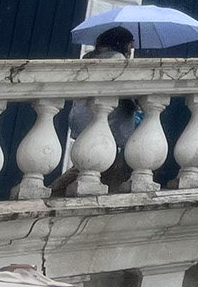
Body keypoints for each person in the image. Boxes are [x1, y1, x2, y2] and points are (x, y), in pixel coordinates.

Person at [56, 26, 139, 192]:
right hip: (111, 125)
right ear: (121, 44)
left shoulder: (88, 59)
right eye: (129, 47)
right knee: (106, 167)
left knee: (85, 166)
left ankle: (56, 189)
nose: (130, 52)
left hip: (82, 119)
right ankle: (56, 191)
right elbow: (126, 92)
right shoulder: (117, 61)